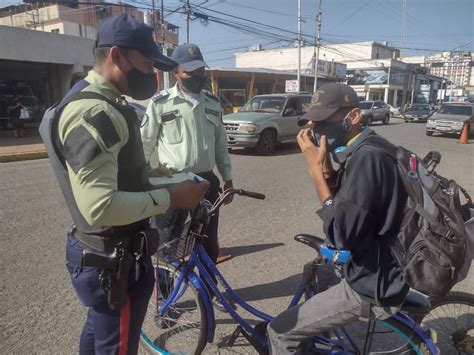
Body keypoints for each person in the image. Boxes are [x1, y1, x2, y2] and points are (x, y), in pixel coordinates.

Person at [39, 15, 208, 355]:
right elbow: (99, 205)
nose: (151, 75)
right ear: (116, 56)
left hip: (102, 251)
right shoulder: (95, 113)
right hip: (113, 259)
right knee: (117, 346)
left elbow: (112, 175)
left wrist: (149, 175)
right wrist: (172, 195)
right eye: (147, 64)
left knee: (100, 331)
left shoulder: (89, 99)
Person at [267, 83, 409, 354]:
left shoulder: (367, 159)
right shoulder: (369, 145)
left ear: (353, 116)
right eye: (311, 120)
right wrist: (327, 168)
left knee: (280, 330)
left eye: (323, 120)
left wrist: (315, 173)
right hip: (377, 263)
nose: (313, 127)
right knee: (316, 274)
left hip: (371, 282)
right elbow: (352, 204)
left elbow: (341, 234)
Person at [141, 43, 233, 270]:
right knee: (167, 243)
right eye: (189, 71)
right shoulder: (160, 104)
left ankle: (208, 293)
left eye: (200, 70)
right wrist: (140, 181)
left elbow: (221, 144)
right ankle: (164, 298)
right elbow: (144, 145)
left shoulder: (212, 103)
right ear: (175, 72)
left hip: (206, 182)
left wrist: (228, 178)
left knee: (208, 241)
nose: (196, 75)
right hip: (172, 181)